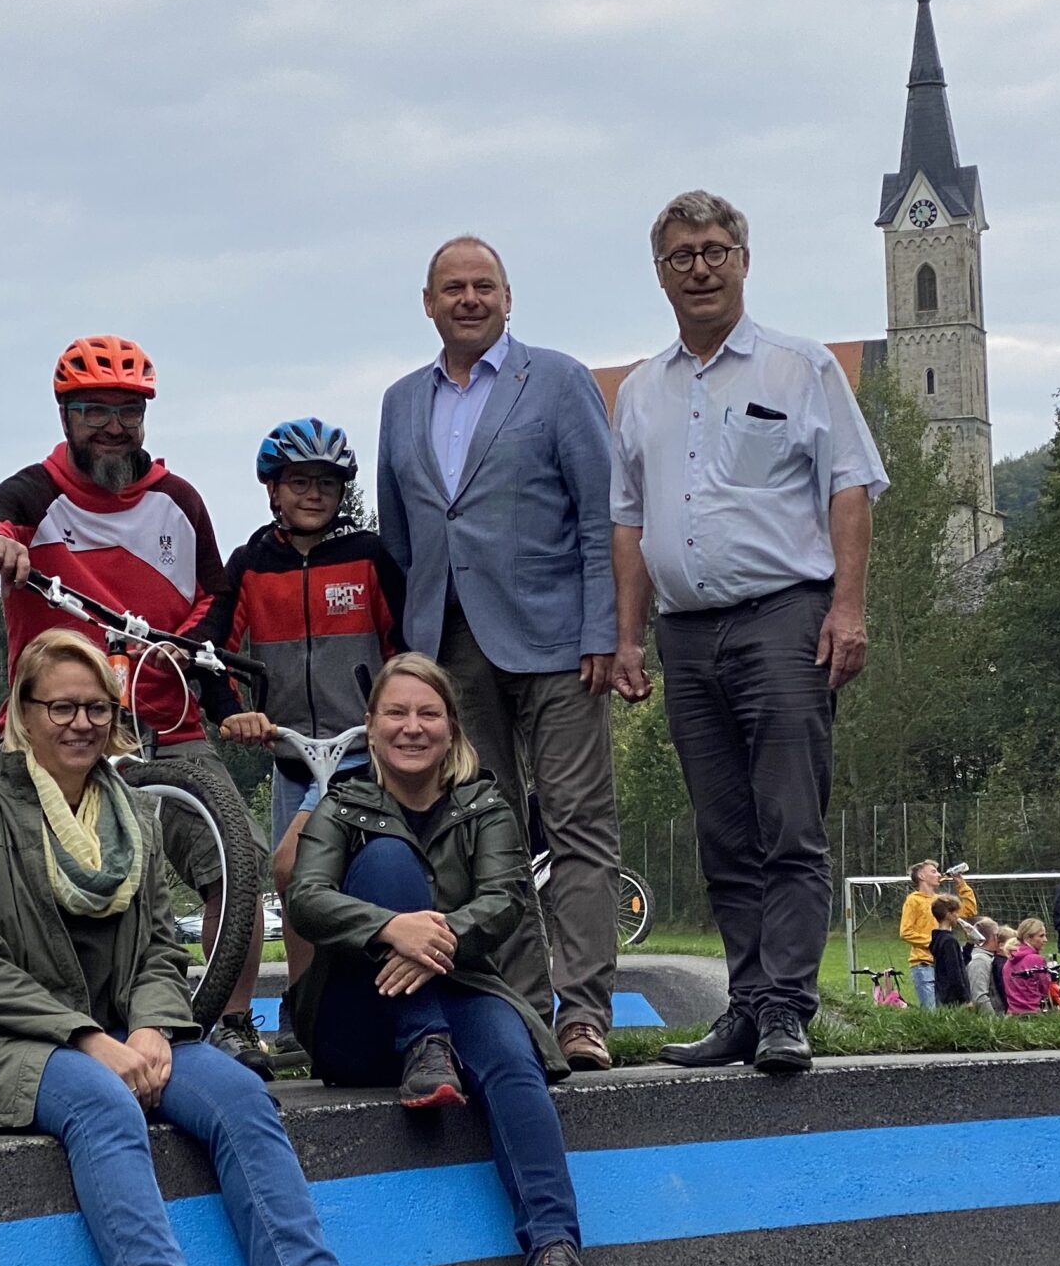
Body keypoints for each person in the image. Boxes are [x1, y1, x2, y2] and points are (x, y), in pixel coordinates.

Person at [0, 629, 452, 1266]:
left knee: (242, 1095)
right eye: (62, 708)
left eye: (97, 708)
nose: (82, 724)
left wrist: (151, 1027)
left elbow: (158, 948)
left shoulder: (133, 813)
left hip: (117, 1029)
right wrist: (91, 1040)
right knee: (101, 1102)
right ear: (23, 712)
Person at [612, 191, 888, 1075]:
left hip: (784, 620)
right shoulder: (641, 392)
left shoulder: (800, 368)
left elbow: (851, 487)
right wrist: (628, 638)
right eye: (681, 256)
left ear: (743, 260)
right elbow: (629, 521)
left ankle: (786, 1012)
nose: (699, 268)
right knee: (723, 833)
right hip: (686, 636)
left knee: (788, 825)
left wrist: (849, 608)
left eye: (714, 251)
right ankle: (745, 1005)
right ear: (660, 274)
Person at [0, 338, 272, 1077]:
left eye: (127, 412)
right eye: (94, 411)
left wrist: (185, 649)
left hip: (166, 717)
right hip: (56, 724)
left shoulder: (178, 500)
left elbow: (213, 596)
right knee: (24, 874)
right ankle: (52, 1027)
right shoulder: (36, 491)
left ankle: (231, 1024)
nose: (111, 427)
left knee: (239, 862)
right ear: (65, 415)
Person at [374, 238, 622, 1070]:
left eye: (484, 286)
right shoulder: (401, 402)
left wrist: (604, 628)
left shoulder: (556, 380)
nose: (469, 299)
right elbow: (402, 539)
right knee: (487, 832)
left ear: (509, 298)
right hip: (450, 646)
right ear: (428, 303)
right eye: (453, 288)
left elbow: (601, 514)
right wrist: (412, 652)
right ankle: (523, 1013)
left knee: (578, 825)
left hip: (558, 640)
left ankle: (583, 1014)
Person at [284, 653, 588, 1266]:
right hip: (357, 1015)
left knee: (510, 1054)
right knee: (387, 859)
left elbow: (506, 900)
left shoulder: (486, 804)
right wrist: (391, 929)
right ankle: (424, 1042)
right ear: (371, 726)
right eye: (396, 712)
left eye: (428, 713)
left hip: (460, 985)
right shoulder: (343, 804)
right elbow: (304, 898)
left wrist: (430, 942)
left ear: (451, 728)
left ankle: (555, 1248)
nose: (412, 727)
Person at [196, 420, 405, 993]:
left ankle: (349, 1001)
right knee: (297, 888)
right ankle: (304, 1007)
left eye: (327, 483)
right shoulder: (252, 564)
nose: (314, 494)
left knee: (295, 866)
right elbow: (209, 650)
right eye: (299, 482)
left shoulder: (368, 555)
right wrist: (230, 711)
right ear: (273, 489)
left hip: (361, 752)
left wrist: (394, 718)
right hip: (291, 756)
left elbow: (404, 650)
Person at [899, 861, 977, 1011]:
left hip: (943, 964)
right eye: (933, 871)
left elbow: (969, 910)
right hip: (924, 963)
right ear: (921, 876)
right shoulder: (913, 900)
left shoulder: (941, 902)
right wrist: (936, 944)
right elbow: (906, 932)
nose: (939, 875)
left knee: (946, 1008)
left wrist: (961, 884)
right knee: (931, 1011)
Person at [926, 896, 972, 1010]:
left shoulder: (938, 938)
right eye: (956, 913)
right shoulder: (949, 941)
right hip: (954, 1000)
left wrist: (970, 943)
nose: (958, 916)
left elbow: (961, 963)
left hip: (943, 996)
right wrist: (964, 998)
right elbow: (954, 972)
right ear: (948, 914)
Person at [1001, 919, 1052, 1014]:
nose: (1045, 940)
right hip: (1033, 1013)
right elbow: (1045, 989)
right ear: (1028, 938)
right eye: (1041, 936)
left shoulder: (1009, 959)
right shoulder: (1036, 959)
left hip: (1012, 1014)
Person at [963, 918, 1005, 1014]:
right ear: (994, 937)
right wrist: (994, 1020)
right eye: (998, 935)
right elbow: (979, 997)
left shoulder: (989, 957)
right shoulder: (980, 960)